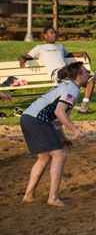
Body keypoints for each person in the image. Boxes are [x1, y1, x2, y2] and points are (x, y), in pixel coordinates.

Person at [19, 61, 88, 206]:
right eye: (86, 71)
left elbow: (57, 119)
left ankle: (29, 194)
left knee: (44, 157)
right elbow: (59, 112)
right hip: (38, 120)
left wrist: (63, 137)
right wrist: (75, 130)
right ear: (80, 76)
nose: (88, 73)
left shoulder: (66, 86)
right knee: (60, 155)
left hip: (27, 118)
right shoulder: (73, 89)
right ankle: (53, 197)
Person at [18, 26, 96, 114]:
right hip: (57, 74)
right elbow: (27, 57)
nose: (54, 34)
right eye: (51, 33)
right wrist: (21, 58)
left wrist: (82, 53)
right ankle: (95, 74)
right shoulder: (39, 48)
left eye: (55, 32)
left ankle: (83, 109)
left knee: (91, 79)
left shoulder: (59, 46)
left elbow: (68, 55)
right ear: (45, 36)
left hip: (69, 74)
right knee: (68, 68)